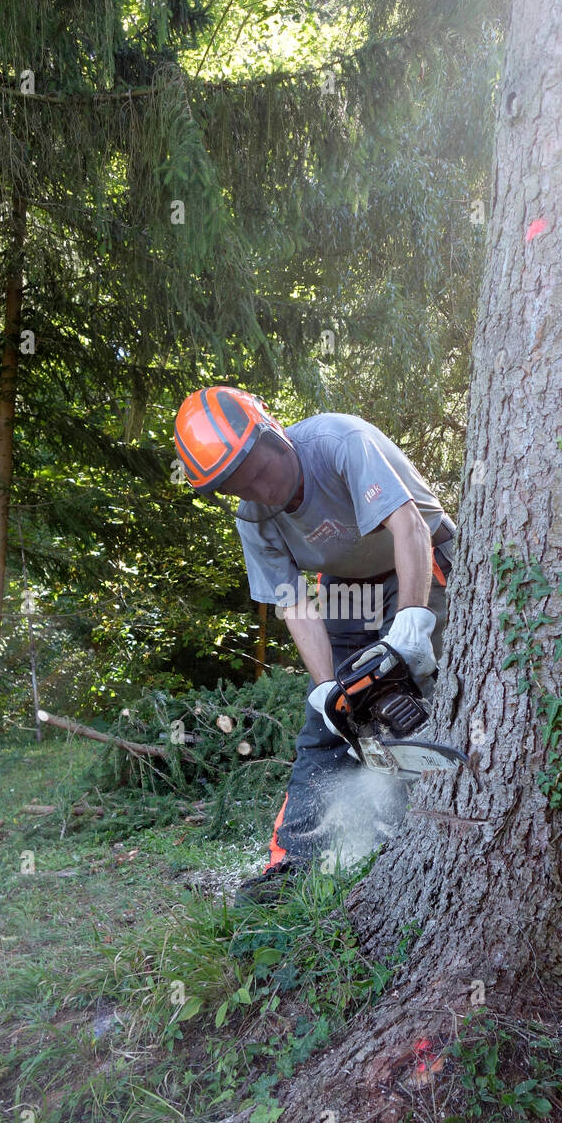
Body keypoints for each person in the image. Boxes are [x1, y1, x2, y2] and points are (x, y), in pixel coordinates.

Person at [173, 385, 456, 901]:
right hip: (348, 586)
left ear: (273, 431)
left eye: (259, 469)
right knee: (338, 715)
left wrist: (411, 625)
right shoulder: (253, 519)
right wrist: (327, 688)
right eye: (241, 485)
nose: (259, 489)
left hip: (420, 554)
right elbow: (295, 604)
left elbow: (408, 524)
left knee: (421, 686)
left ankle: (435, 825)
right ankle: (293, 865)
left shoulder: (339, 441)